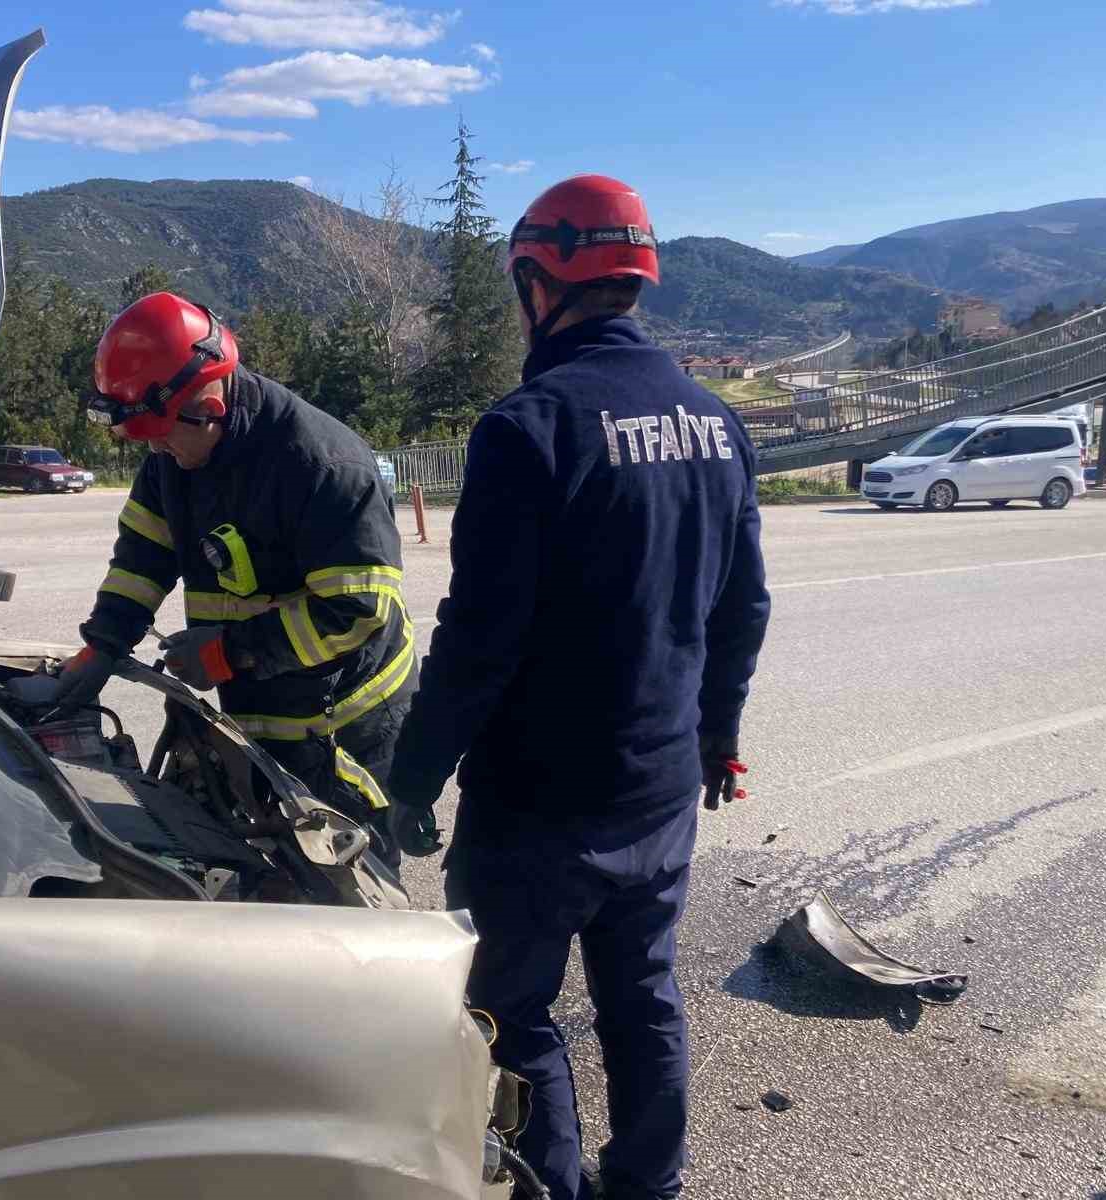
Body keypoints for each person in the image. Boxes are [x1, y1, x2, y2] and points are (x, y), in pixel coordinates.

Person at [385, 175, 772, 1200]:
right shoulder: (717, 424)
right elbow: (742, 610)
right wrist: (717, 739)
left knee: (512, 1013)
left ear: (538, 282)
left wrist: (413, 778)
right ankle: (648, 1185)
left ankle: (547, 1188)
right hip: (658, 788)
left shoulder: (528, 428)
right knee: (641, 995)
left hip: (537, 805)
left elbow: (478, 641)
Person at [40, 292, 413, 862]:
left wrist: (225, 653)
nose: (155, 449)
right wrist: (104, 644)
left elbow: (355, 611)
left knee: (347, 884)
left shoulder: (324, 468)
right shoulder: (174, 455)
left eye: (161, 434)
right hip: (261, 707)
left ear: (209, 407)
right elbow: (141, 557)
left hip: (348, 722)